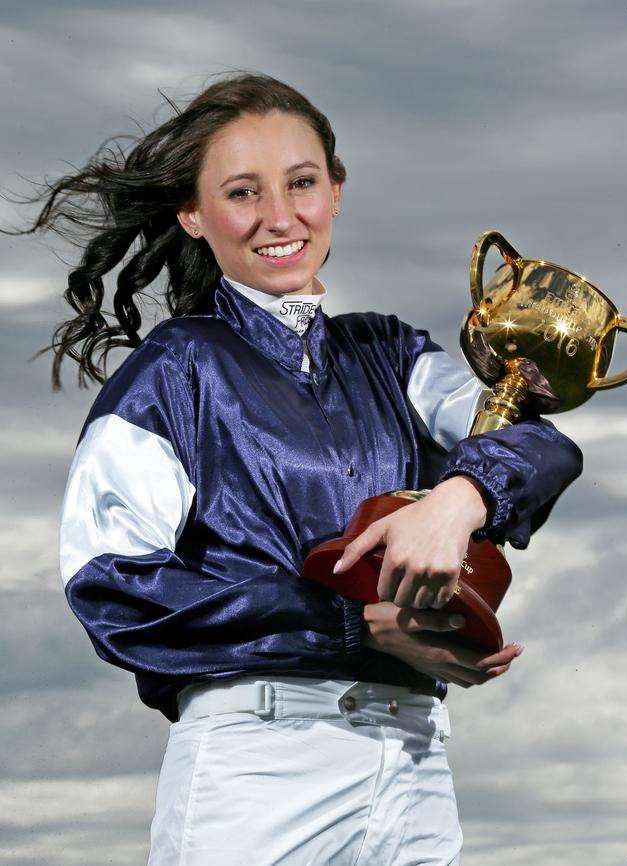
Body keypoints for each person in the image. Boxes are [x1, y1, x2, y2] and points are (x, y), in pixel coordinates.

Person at [25, 73, 581, 866]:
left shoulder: (389, 353)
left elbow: (541, 442)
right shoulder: (174, 369)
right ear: (193, 214)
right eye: (242, 192)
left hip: (414, 762)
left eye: (302, 183)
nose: (280, 218)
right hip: (259, 765)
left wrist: (461, 495)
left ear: (337, 191)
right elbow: (109, 585)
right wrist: (358, 625)